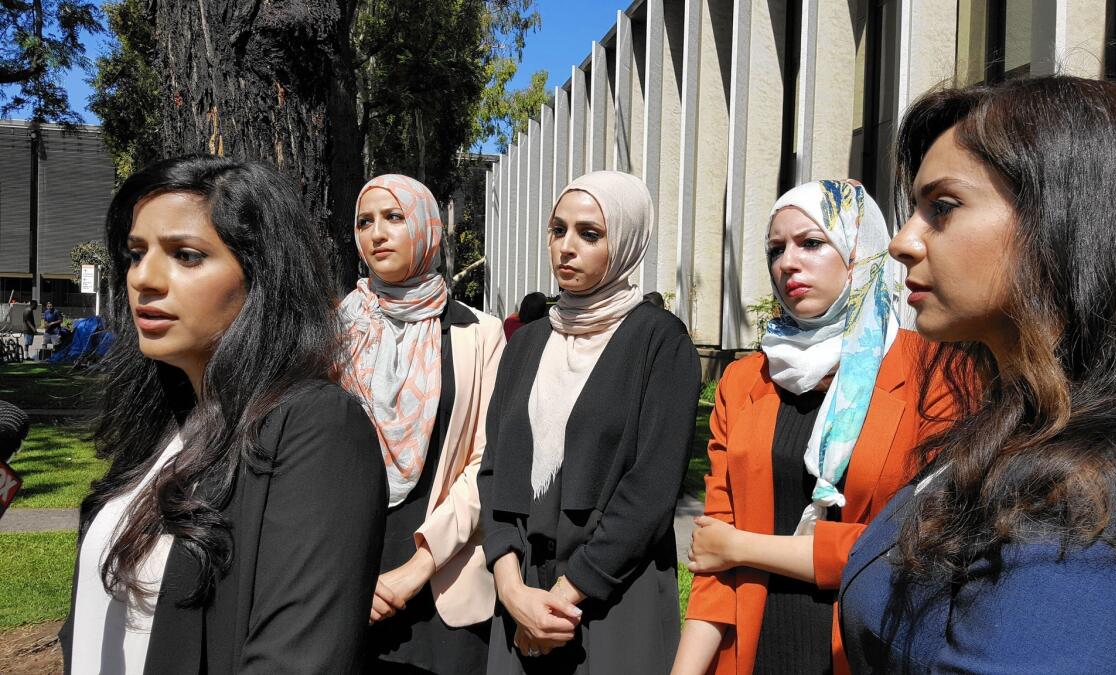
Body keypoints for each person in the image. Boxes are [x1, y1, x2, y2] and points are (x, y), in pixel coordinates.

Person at [838, 76, 1116, 672]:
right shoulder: (1025, 425)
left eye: (943, 207)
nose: (903, 241)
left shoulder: (1092, 501)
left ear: (1067, 218)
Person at [59, 156, 386, 674]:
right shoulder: (166, 424)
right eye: (135, 253)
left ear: (261, 276)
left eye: (186, 256)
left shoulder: (315, 427)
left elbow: (297, 661)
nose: (145, 278)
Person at [671, 180, 953, 675]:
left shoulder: (936, 378)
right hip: (755, 652)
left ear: (858, 250)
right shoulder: (744, 381)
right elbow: (711, 557)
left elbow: (911, 551)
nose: (787, 263)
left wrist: (743, 547)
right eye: (775, 249)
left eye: (811, 243)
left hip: (869, 653)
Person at [479, 170, 701, 674]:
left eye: (589, 233)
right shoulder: (527, 343)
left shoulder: (659, 343)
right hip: (520, 596)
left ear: (625, 241)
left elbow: (650, 490)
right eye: (558, 230)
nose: (567, 247)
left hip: (611, 598)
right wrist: (512, 590)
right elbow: (493, 471)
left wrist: (562, 597)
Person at [338, 174, 505, 673]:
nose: (377, 234)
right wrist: (350, 573)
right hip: (347, 577)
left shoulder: (479, 333)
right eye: (365, 222)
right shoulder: (337, 331)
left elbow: (486, 461)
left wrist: (415, 569)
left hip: (442, 577)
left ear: (428, 227)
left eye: (394, 217)